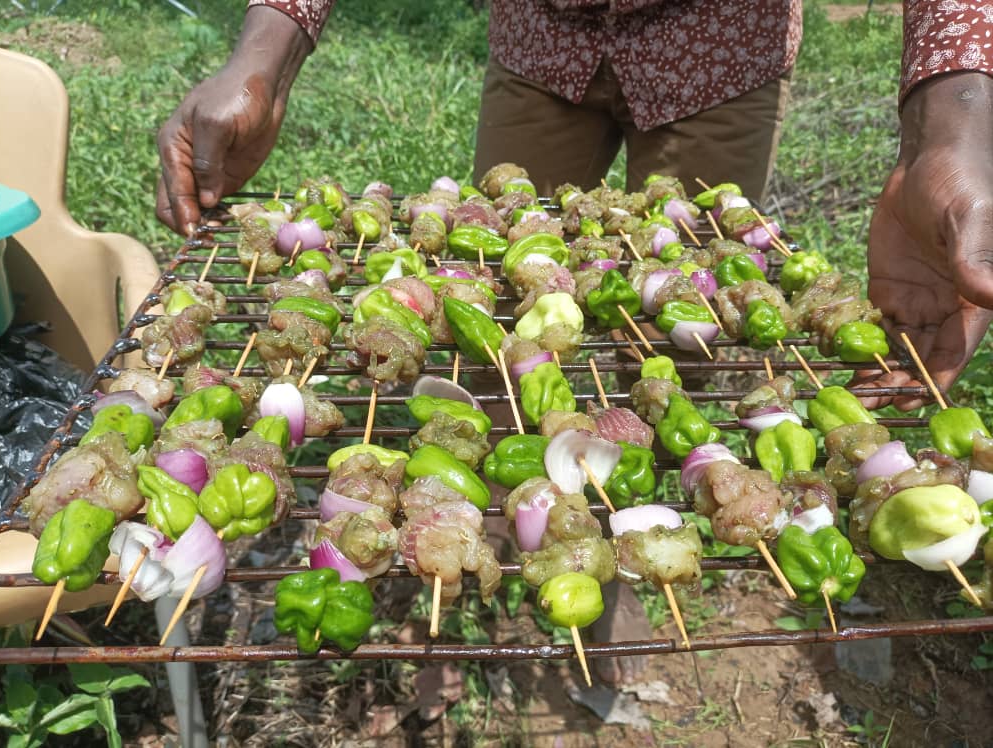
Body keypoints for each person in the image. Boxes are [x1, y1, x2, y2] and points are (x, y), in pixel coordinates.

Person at [155, 0, 993, 680]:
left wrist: (952, 126)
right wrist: (265, 47)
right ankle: (481, 569)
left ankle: (612, 567)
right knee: (495, 348)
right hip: (543, 37)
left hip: (718, 43)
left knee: (673, 337)